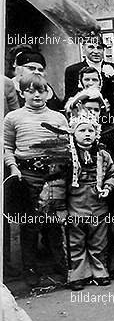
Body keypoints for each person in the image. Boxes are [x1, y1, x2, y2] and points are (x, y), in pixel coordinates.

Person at [4, 74, 70, 286]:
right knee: (30, 225)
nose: (36, 95)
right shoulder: (13, 118)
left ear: (47, 93)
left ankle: (61, 266)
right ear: (22, 94)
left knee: (54, 223)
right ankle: (30, 269)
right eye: (30, 91)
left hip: (54, 177)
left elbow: (66, 147)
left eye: (40, 90)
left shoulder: (59, 118)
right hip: (27, 176)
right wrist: (14, 168)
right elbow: (7, 147)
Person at [65, 110, 114, 290]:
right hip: (76, 208)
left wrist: (108, 187)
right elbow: (57, 183)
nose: (87, 134)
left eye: (91, 131)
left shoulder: (103, 155)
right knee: (76, 243)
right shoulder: (67, 156)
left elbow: (112, 173)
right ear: (73, 132)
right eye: (82, 130)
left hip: (99, 208)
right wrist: (59, 207)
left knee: (99, 242)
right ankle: (78, 275)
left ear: (96, 133)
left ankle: (100, 272)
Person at [64, 37, 114, 112]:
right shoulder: (73, 70)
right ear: (83, 48)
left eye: (99, 48)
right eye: (91, 47)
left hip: (111, 115)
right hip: (84, 114)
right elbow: (69, 97)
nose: (96, 51)